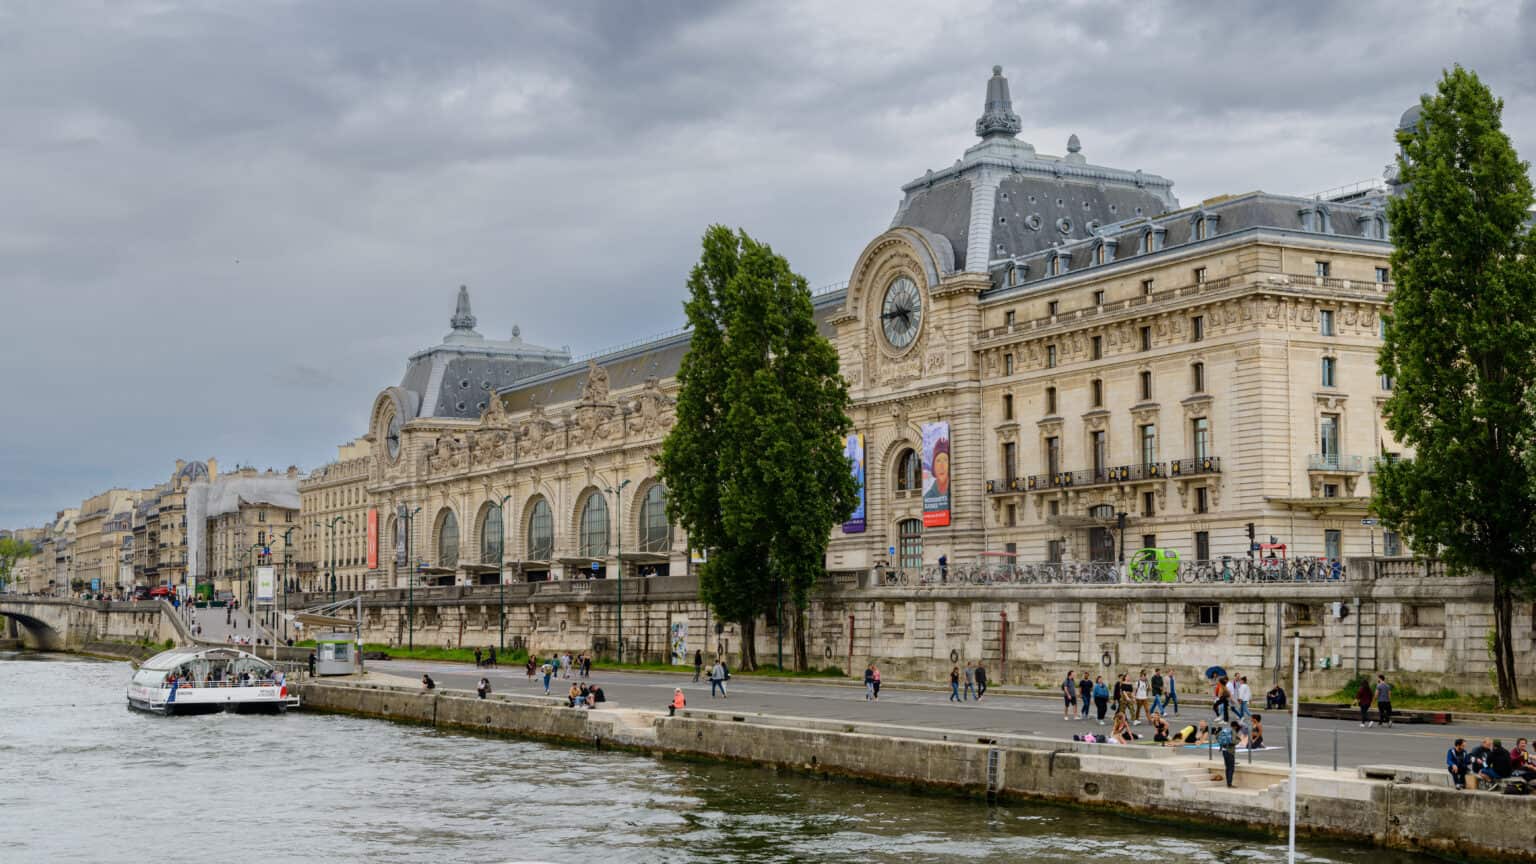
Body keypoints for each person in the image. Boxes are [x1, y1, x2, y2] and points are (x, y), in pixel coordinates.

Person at [1218, 721, 1239, 787]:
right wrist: (1238, 740)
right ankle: (1229, 784)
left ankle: (1228, 783)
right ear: (1235, 726)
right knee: (1231, 768)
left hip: (1224, 750)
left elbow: (1218, 737)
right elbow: (1233, 741)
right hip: (1230, 751)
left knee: (1227, 767)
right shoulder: (1233, 731)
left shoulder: (1225, 730)